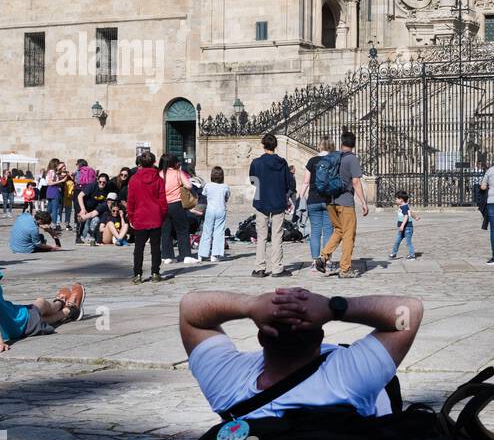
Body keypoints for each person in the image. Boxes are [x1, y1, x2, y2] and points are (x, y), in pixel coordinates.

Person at [179, 287, 424, 421]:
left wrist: (250, 305)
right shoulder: (349, 380)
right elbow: (408, 312)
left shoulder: (227, 385)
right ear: (320, 337)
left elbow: (191, 308)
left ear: (261, 338)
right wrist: (333, 307)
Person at [319, 132, 368, 279]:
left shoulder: (334, 157)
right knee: (348, 234)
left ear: (341, 143)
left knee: (339, 230)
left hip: (330, 201)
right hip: (345, 201)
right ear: (354, 144)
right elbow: (355, 182)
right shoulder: (351, 159)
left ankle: (323, 257)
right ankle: (345, 269)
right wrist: (364, 203)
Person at [250, 134, 294, 279]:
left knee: (261, 236)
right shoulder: (282, 163)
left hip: (261, 201)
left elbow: (253, 181)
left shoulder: (256, 163)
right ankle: (277, 268)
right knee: (277, 236)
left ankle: (260, 267)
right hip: (278, 201)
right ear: (275, 145)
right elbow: (289, 184)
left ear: (263, 145)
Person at [128, 150, 168, 284]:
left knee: (139, 247)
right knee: (156, 247)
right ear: (154, 162)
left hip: (140, 216)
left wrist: (131, 216)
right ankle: (155, 272)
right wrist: (162, 215)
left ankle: (137, 274)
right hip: (155, 216)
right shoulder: (159, 179)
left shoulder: (134, 179)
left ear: (140, 163)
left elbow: (131, 200)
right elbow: (163, 200)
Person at [299, 139, 336, 271]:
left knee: (315, 232)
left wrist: (300, 197)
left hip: (313, 199)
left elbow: (306, 182)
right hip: (329, 200)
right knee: (328, 232)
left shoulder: (312, 161)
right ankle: (326, 260)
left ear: (320, 146)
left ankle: (315, 261)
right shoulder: (334, 160)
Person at [159, 154, 195, 264]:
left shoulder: (159, 174)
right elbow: (189, 186)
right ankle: (185, 255)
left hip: (163, 204)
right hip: (176, 204)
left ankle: (167, 256)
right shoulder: (178, 173)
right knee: (182, 229)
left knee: (166, 231)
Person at [198, 167, 230, 262]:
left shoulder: (208, 186)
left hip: (210, 210)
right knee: (219, 232)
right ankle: (215, 255)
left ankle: (202, 254)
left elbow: (204, 194)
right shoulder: (225, 186)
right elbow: (227, 197)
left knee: (207, 231)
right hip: (221, 209)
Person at [75, 172, 111, 245]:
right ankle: (78, 237)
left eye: (104, 182)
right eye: (100, 181)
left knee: (96, 219)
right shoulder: (92, 186)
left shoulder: (107, 189)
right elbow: (80, 196)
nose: (101, 183)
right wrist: (83, 209)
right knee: (82, 218)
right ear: (97, 180)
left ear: (107, 182)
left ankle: (90, 235)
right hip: (83, 204)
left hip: (95, 207)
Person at [389, 190, 420, 260]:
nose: (395, 200)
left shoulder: (404, 207)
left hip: (407, 228)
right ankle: (393, 253)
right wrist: (416, 217)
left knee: (408, 242)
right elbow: (410, 212)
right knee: (397, 241)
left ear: (401, 199)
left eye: (396, 199)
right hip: (403, 228)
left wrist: (402, 225)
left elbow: (406, 216)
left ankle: (412, 255)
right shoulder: (404, 206)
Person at [43, 159, 66, 226]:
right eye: (58, 163)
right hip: (54, 190)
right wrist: (61, 181)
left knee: (49, 209)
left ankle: (44, 221)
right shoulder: (52, 171)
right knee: (55, 209)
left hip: (50, 190)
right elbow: (50, 183)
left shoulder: (51, 171)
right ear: (55, 164)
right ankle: (54, 224)